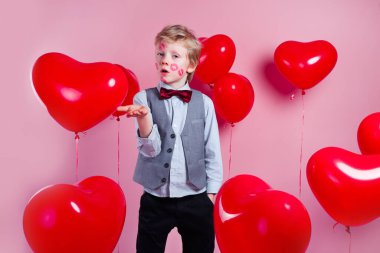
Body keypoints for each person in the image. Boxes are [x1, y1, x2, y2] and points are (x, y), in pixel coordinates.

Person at [117, 24, 223, 253]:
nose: (165, 60)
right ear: (156, 61)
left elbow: (211, 149)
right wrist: (144, 118)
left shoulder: (204, 103)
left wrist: (211, 195)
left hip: (196, 197)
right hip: (155, 199)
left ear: (190, 65)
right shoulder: (143, 98)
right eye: (161, 54)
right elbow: (151, 150)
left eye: (174, 55)